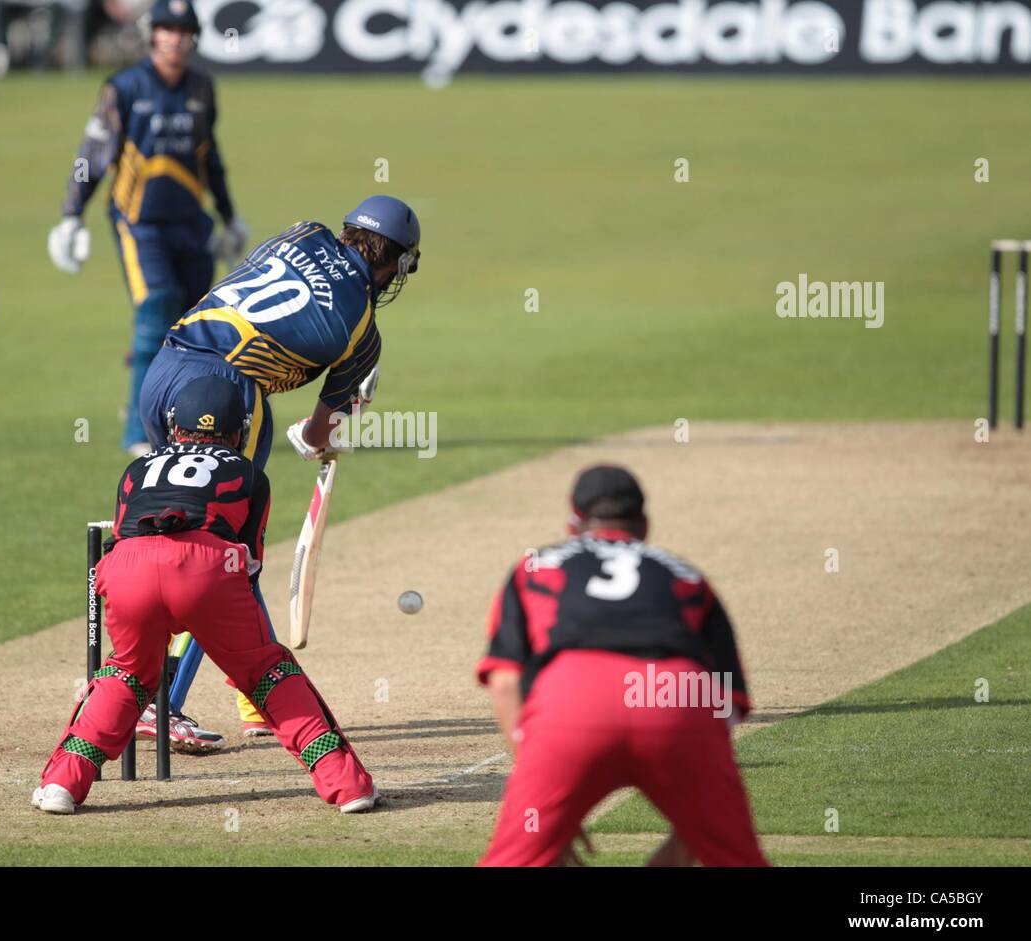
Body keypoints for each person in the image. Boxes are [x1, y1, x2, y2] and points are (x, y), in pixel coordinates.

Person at [134, 195, 421, 742]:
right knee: (219, 555)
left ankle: (257, 695)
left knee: (212, 545)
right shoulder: (362, 329)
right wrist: (325, 437)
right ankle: (159, 697)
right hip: (228, 398)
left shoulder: (304, 230)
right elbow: (318, 435)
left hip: (163, 372)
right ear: (396, 263)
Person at [32, 375, 377, 815]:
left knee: (128, 675)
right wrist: (239, 647)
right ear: (239, 430)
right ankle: (348, 787)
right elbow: (249, 562)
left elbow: (123, 534)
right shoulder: (249, 473)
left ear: (174, 426)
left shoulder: (136, 468)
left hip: (125, 567)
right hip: (209, 567)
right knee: (268, 672)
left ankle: (62, 785)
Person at [477, 465, 769, 867]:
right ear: (645, 525)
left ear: (572, 523)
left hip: (573, 704)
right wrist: (689, 838)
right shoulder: (686, 574)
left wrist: (541, 796)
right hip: (676, 702)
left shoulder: (534, 566)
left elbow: (506, 682)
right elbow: (727, 701)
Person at [47, 0, 247, 455]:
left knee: (194, 324)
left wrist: (230, 215)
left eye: (184, 30)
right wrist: (70, 215)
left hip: (191, 223)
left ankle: (193, 424)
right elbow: (92, 155)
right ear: (152, 35)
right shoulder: (125, 87)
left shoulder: (202, 88)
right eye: (167, 29)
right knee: (155, 310)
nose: (175, 38)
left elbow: (209, 157)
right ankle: (139, 433)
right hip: (139, 223)